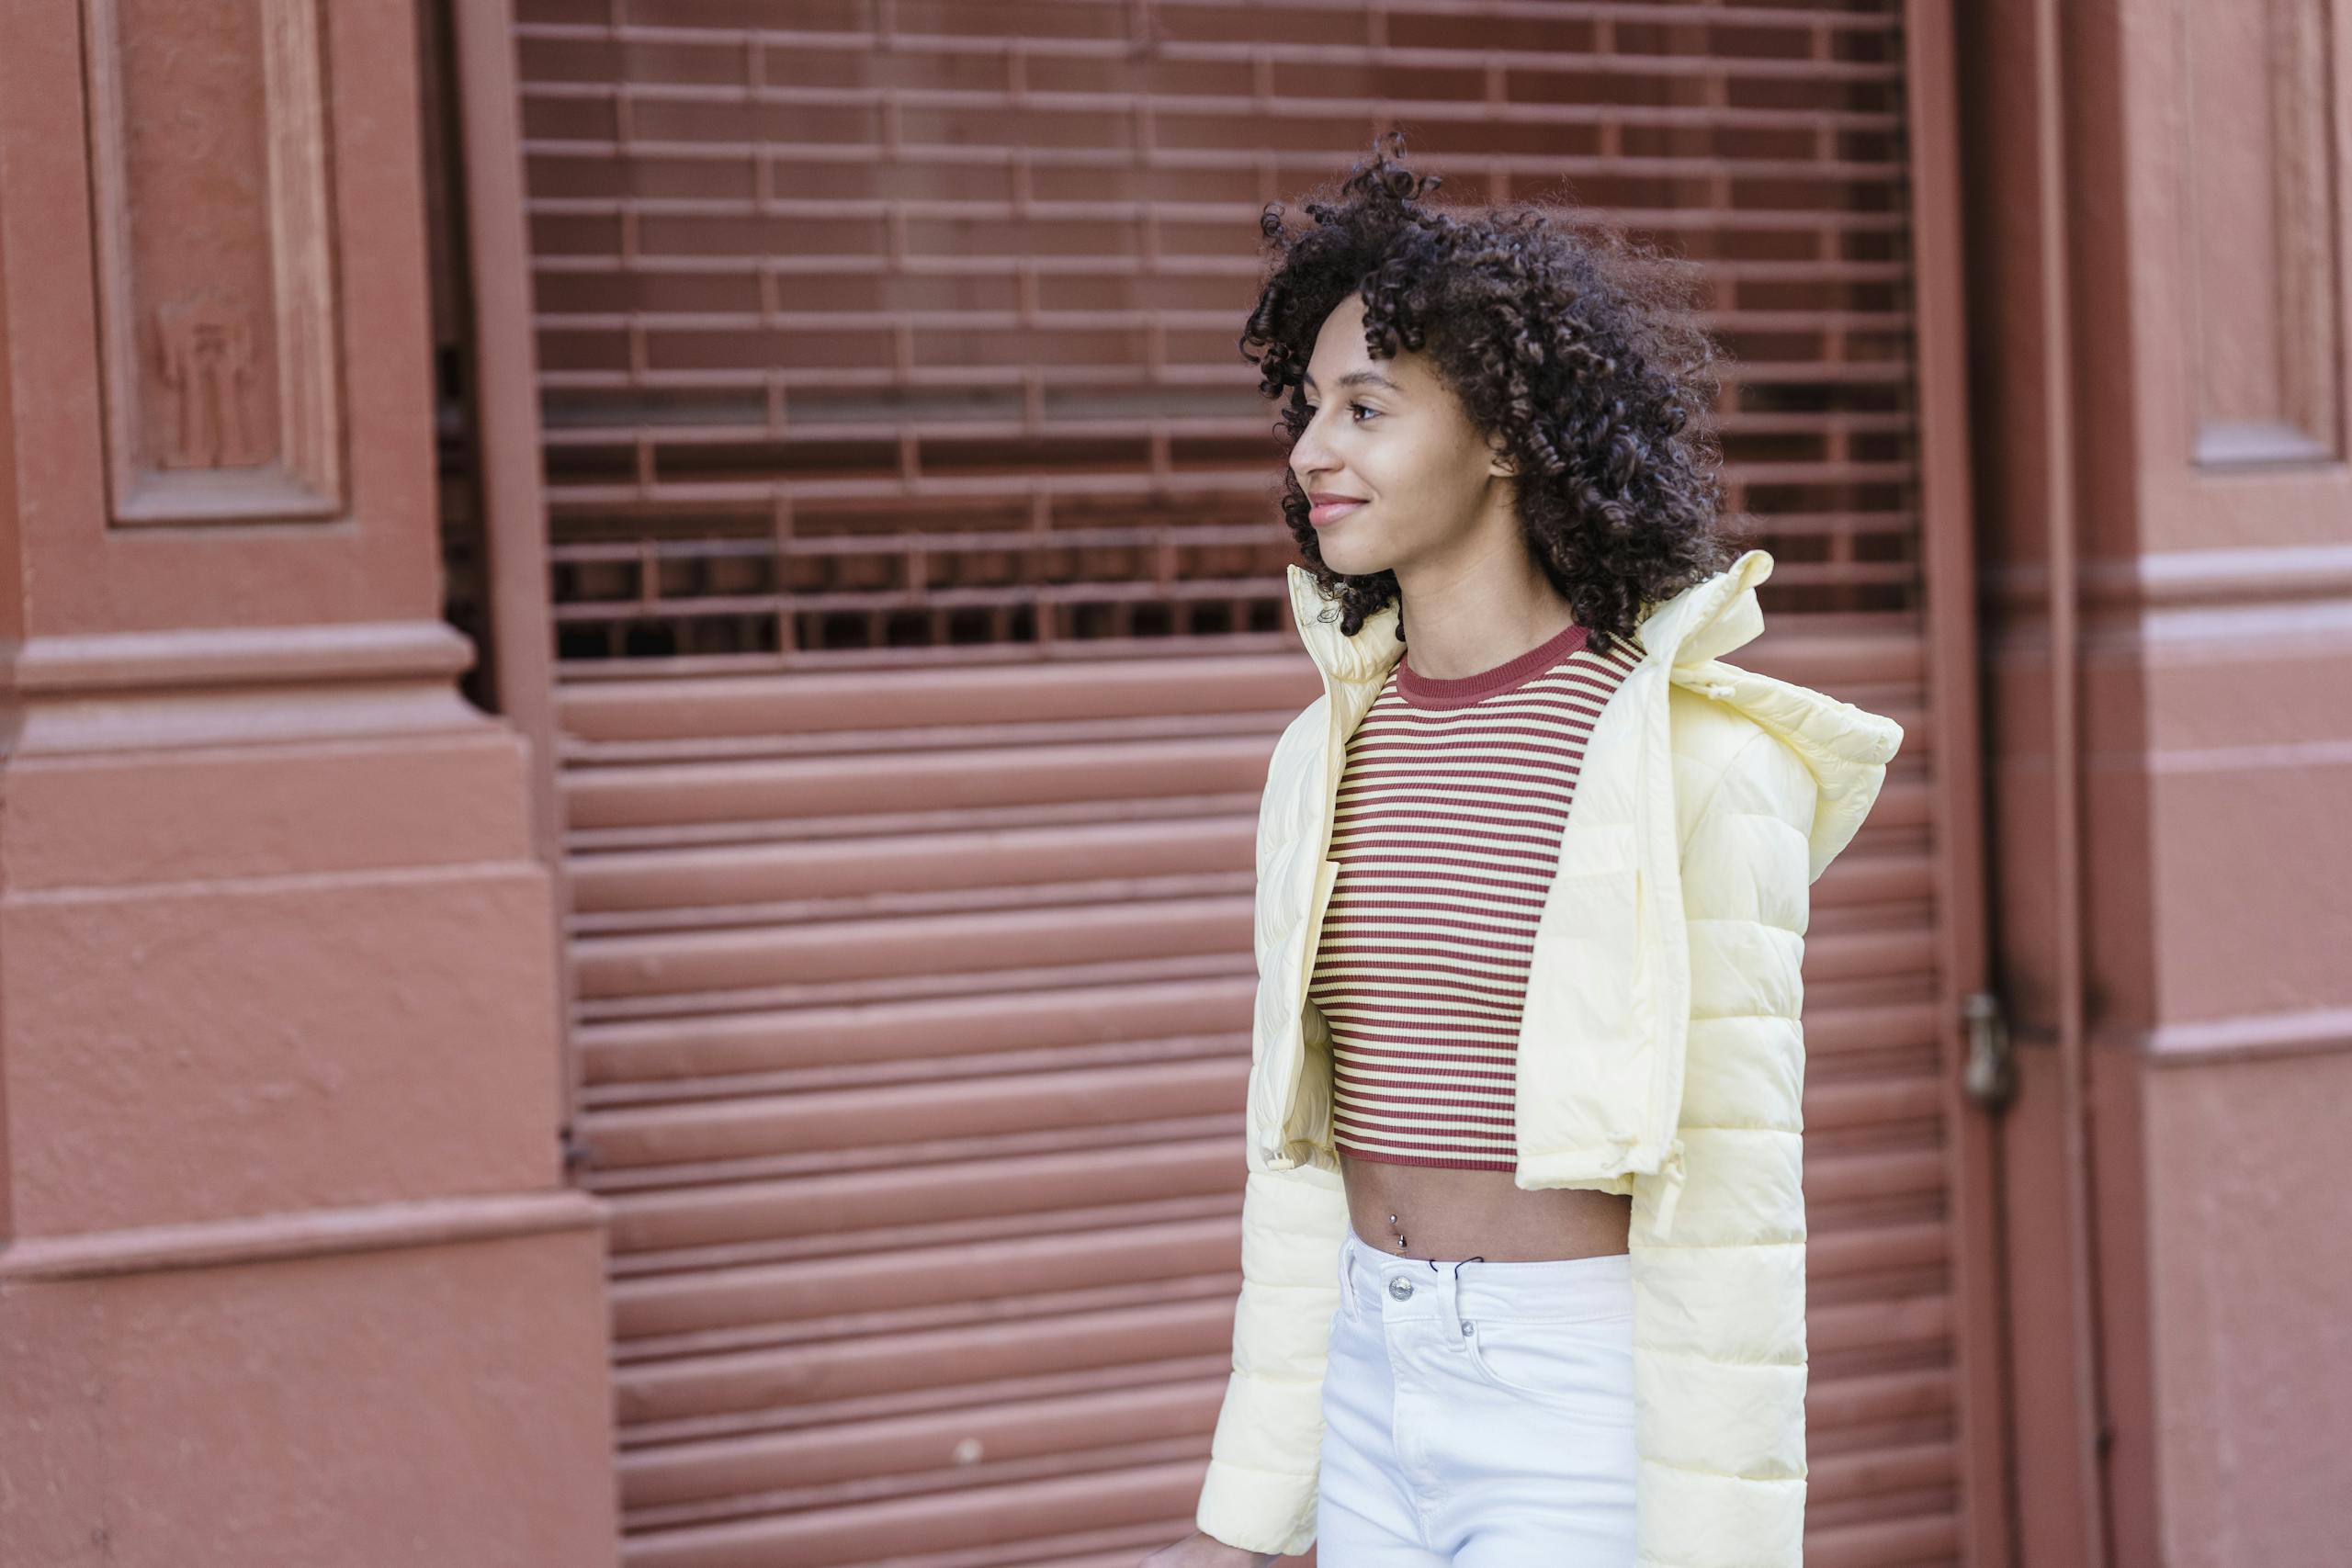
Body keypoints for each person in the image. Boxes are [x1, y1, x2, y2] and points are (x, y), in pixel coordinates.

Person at [1141, 132, 1904, 1567]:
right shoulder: (1324, 753)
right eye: (1307, 409)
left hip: (1576, 1402)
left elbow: (1735, 1202)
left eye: (1367, 408)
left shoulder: (1692, 758)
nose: (1314, 453)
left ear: (1500, 431)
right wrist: (1249, 1508)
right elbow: (1299, 1166)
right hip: (1370, 1371)